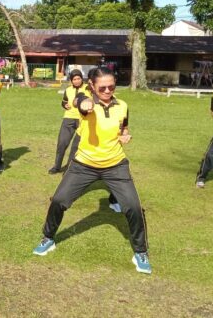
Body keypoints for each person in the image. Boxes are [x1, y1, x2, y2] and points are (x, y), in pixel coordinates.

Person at [32, 67, 152, 274]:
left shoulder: (122, 105)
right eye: (102, 87)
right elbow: (81, 102)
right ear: (93, 87)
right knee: (59, 200)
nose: (107, 90)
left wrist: (125, 135)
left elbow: (124, 128)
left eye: (111, 86)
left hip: (115, 165)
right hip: (83, 166)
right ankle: (48, 237)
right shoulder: (86, 101)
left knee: (133, 206)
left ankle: (140, 251)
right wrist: (84, 102)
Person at [49, 69, 85, 174]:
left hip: (83, 120)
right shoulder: (68, 90)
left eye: (79, 78)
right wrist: (65, 105)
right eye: (75, 79)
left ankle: (69, 168)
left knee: (76, 146)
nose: (77, 81)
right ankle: (57, 166)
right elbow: (64, 101)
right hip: (68, 119)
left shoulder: (88, 89)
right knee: (62, 143)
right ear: (71, 80)